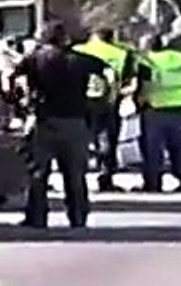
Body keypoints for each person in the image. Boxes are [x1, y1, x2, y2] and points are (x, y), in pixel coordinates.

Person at [12, 20, 109, 228]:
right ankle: (78, 216)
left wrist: (21, 104)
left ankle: (37, 216)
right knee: (75, 174)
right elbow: (107, 75)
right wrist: (98, 103)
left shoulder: (35, 59)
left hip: (45, 121)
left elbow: (14, 78)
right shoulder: (84, 61)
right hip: (76, 122)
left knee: (38, 173)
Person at [73, 27, 136, 192]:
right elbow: (128, 81)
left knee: (78, 141)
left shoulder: (78, 50)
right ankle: (105, 177)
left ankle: (77, 178)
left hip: (79, 102)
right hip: (108, 102)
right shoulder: (122, 53)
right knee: (107, 140)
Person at [134, 33, 181, 193]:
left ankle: (153, 182)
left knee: (152, 147)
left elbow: (145, 85)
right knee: (180, 144)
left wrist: (140, 102)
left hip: (156, 107)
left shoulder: (148, 61)